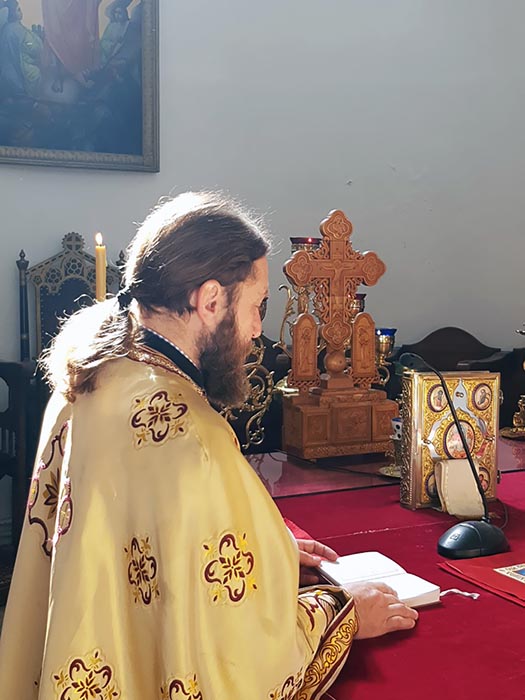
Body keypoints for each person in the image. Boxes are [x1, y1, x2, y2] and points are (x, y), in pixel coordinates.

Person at [0, 192, 418, 699]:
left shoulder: (95, 374)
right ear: (211, 300)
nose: (258, 330)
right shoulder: (190, 435)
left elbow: (138, 533)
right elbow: (237, 658)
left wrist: (267, 552)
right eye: (257, 306)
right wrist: (343, 612)